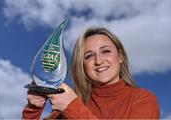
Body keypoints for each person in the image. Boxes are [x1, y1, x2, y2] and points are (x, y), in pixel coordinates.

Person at [22, 27, 160, 119]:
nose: (98, 61)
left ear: (120, 56)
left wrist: (73, 108)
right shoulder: (69, 105)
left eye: (105, 51)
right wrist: (33, 109)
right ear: (82, 65)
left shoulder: (143, 100)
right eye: (88, 56)